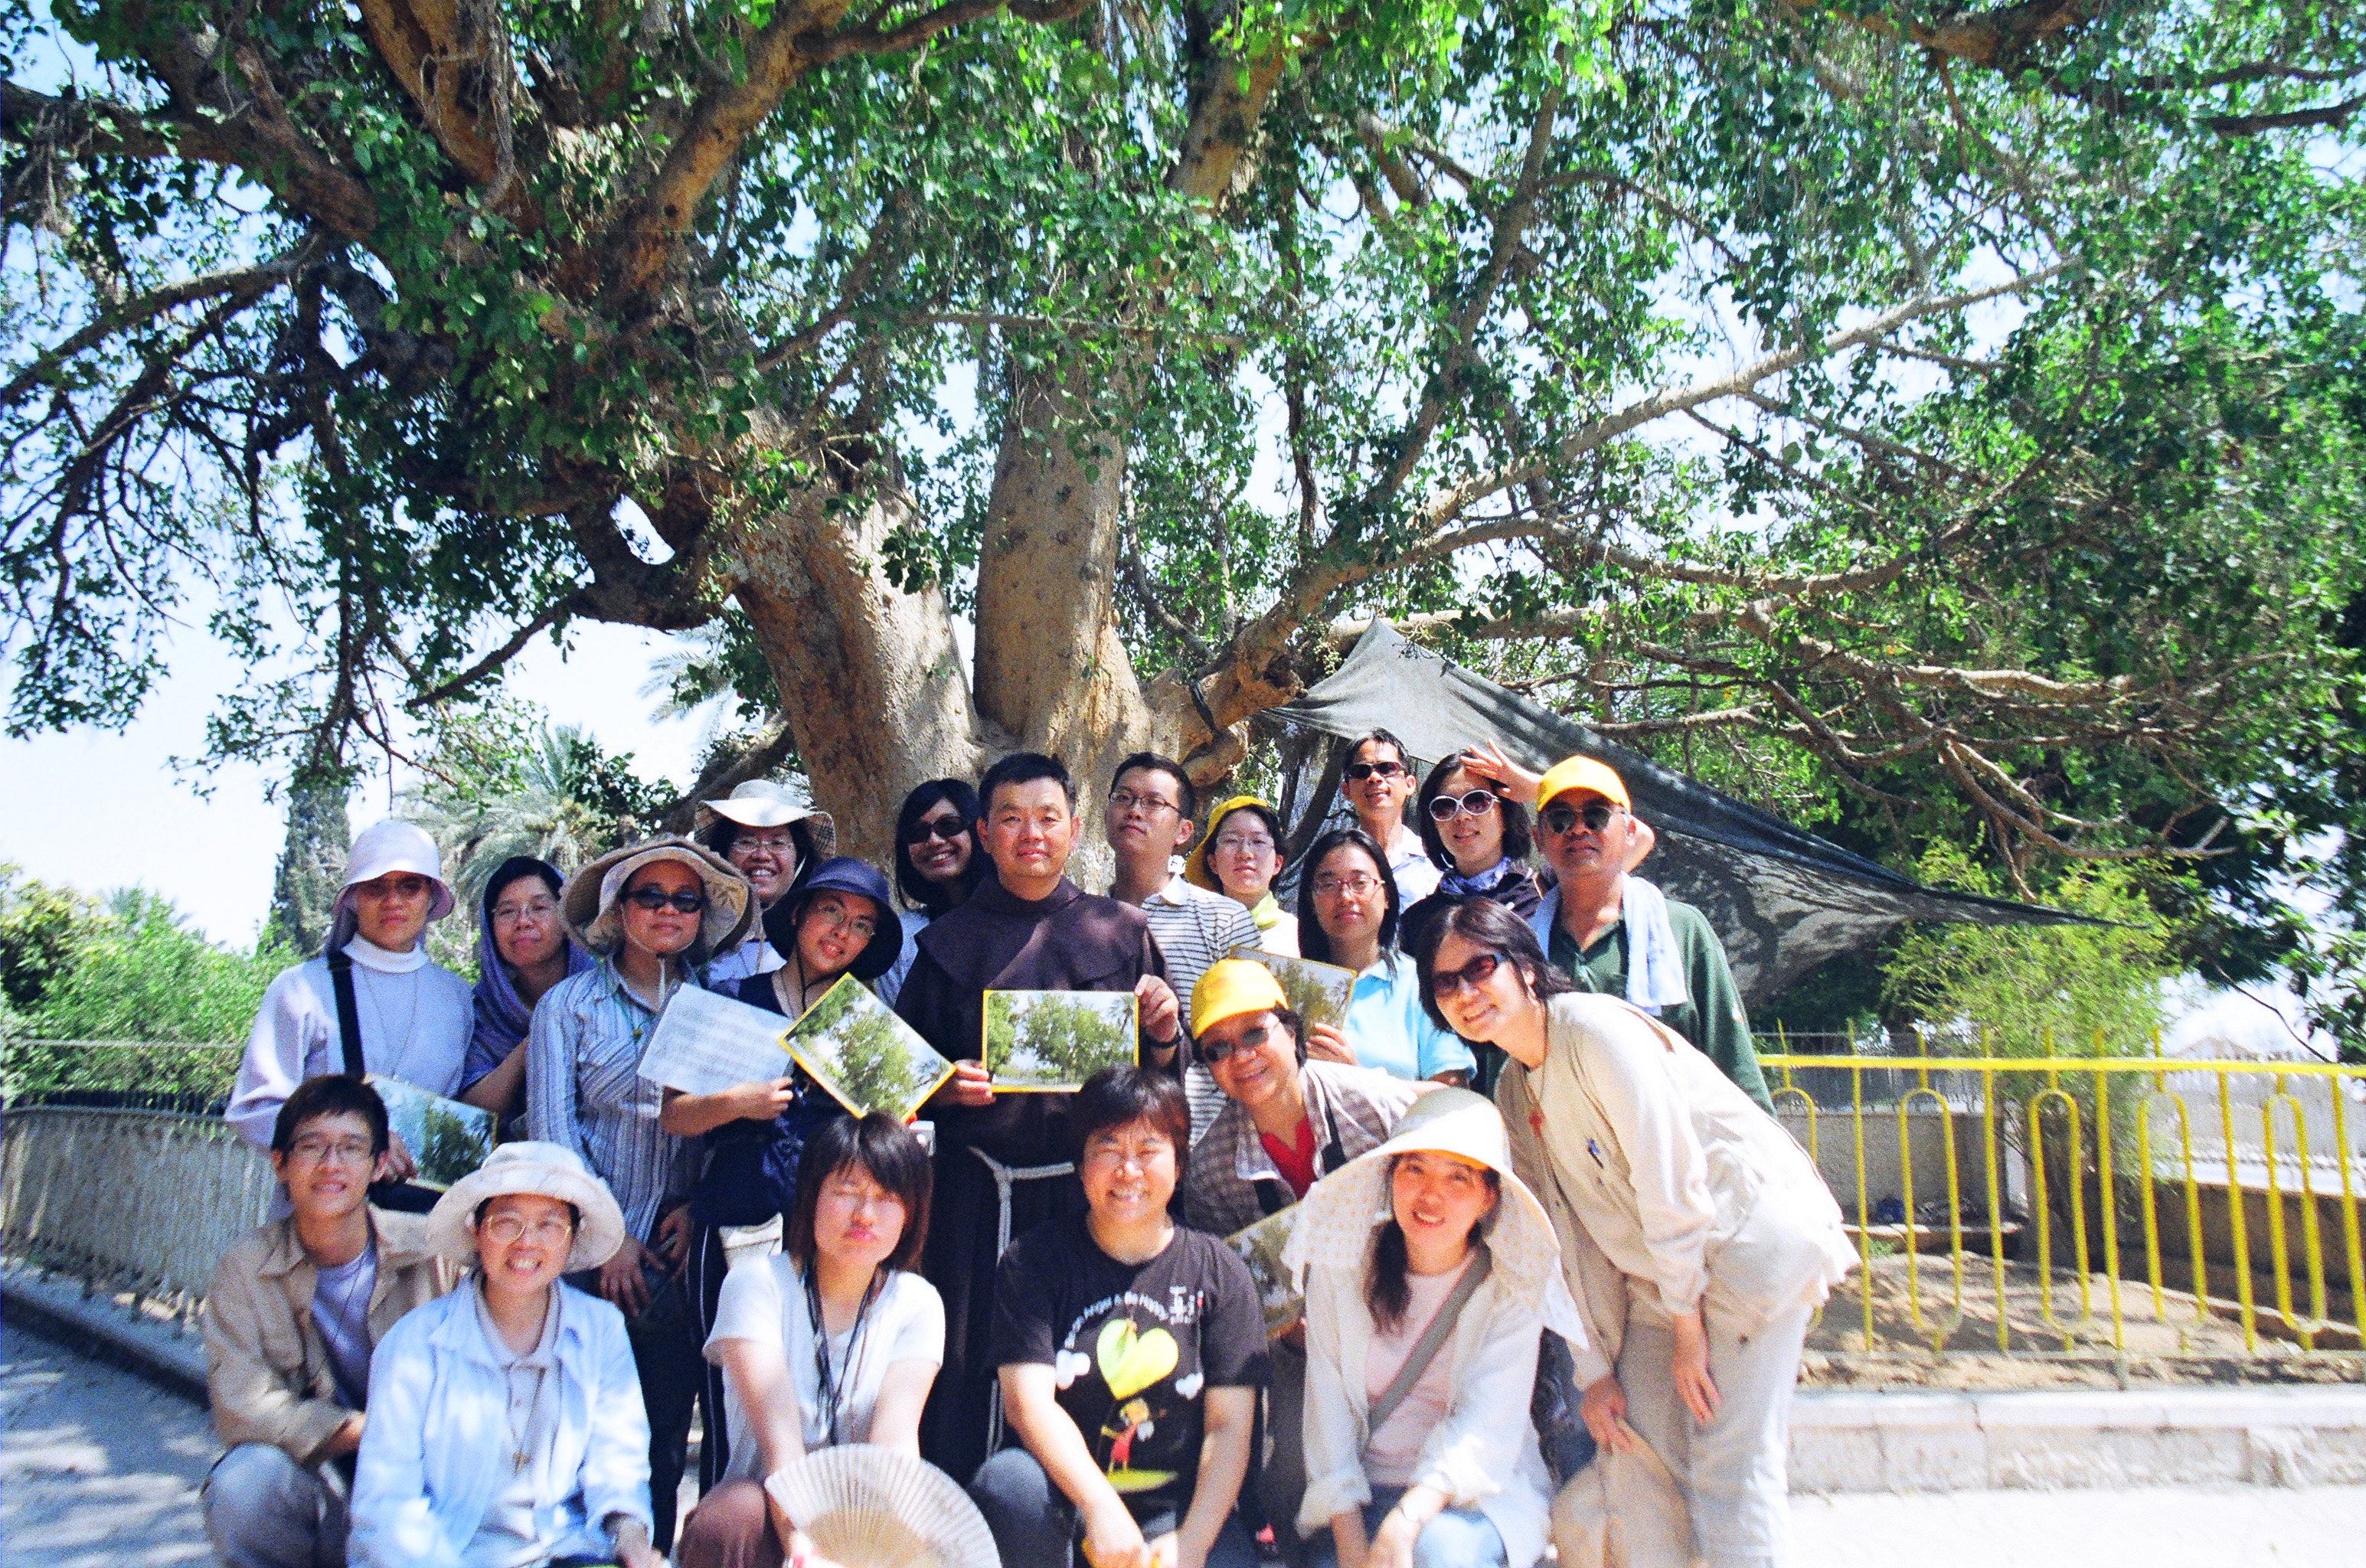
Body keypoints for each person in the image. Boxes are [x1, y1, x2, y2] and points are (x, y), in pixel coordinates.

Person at [1415, 898, 1855, 1568]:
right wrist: (1593, 1371)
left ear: (1527, 968)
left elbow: (1671, 1183)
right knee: (1635, 1453)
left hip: (1743, 1249)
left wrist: (1686, 1328)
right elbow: (1559, 1238)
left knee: (1728, 1469)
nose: (1467, 992)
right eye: (1447, 983)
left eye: (1481, 967)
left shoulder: (1594, 1031)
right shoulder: (1512, 1090)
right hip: (1666, 1283)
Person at [893, 750, 1186, 1485]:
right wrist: (942, 1089)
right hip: (975, 1201)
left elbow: (1164, 1083)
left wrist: (1161, 1035)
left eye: (1049, 818)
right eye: (1013, 820)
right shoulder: (944, 945)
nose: (1033, 834)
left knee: (1091, 1366)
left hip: (1092, 1198)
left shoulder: (1120, 930)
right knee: (968, 1369)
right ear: (986, 833)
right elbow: (896, 1085)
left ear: (1075, 829)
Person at [527, 835, 753, 1550]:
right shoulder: (567, 1009)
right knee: (571, 1437)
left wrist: (700, 1207)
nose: (667, 911)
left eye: (684, 900)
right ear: (618, 910)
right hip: (583, 1260)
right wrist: (607, 1237)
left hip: (679, 1261)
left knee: (661, 1441)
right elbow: (554, 1135)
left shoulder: (721, 1006)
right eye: (649, 896)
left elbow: (736, 1130)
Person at [663, 856, 904, 1488]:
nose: (840, 933)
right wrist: (735, 1103)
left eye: (860, 925)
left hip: (828, 1241)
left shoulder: (865, 1028)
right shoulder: (730, 1000)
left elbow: (895, 1135)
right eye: (830, 911)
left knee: (823, 1398)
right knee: (728, 1403)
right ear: (797, 915)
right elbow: (673, 1117)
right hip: (733, 1226)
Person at [1177, 960, 1429, 1562]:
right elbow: (1234, 1288)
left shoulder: (1373, 1105)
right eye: (1218, 1048)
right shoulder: (1210, 1168)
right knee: (1288, 1474)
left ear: (1292, 1032)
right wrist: (1288, 1331)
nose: (1242, 1057)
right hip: (1303, 1346)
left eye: (1255, 1034)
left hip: (1411, 1307)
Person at [972, 1068, 1266, 1568]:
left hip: (1177, 1513)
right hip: (1068, 1503)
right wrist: (1100, 1507)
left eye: (1149, 1149)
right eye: (1108, 1149)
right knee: (1008, 1485)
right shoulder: (1034, 1262)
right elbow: (1028, 1406)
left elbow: (1229, 1427)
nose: (1129, 1170)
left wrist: (1191, 1546)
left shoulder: (1219, 1271)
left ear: (1178, 1162)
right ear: (1081, 1165)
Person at [1284, 1089, 1582, 1568]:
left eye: (1458, 1177)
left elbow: (1487, 1423)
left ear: (1488, 1197)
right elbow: (1328, 1413)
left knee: (1441, 1554)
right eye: (1414, 1169)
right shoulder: (1341, 1269)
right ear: (1391, 1176)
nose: (1430, 1195)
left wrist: (1405, 1523)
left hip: (1475, 1497)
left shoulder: (1511, 1286)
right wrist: (1353, 1546)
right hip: (1360, 1497)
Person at [348, 1142, 659, 1568]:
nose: (526, 1243)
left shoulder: (601, 1329)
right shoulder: (414, 1344)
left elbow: (618, 1461)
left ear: (572, 1240)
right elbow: (386, 1504)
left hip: (564, 1551)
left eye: (549, 1225)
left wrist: (631, 1538)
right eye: (506, 1222)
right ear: (476, 1231)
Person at [201, 1076, 461, 1568]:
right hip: (324, 1477)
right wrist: (378, 1428)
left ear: (380, 1164)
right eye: (311, 1147)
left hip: (428, 1477)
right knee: (243, 1483)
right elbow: (243, 1408)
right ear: (279, 1163)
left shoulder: (435, 1251)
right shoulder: (244, 1268)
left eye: (350, 1148)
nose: (330, 1165)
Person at [675, 1115, 943, 1568]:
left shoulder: (918, 1303)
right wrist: (802, 1546)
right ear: (811, 1196)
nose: (865, 1214)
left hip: (861, 1516)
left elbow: (895, 1443)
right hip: (766, 1511)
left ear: (911, 1214)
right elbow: (781, 1444)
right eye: (847, 1191)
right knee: (729, 1516)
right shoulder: (755, 1285)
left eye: (886, 1198)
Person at [229, 820, 473, 1192]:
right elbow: (253, 1110)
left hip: (420, 1230)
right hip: (320, 1226)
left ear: (431, 898)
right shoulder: (302, 988)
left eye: (409, 886)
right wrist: (358, 1144)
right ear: (354, 898)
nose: (393, 901)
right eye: (377, 887)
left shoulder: (458, 998)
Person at [1521, 754, 1773, 1112]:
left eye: (1596, 815)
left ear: (1628, 832)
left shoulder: (1682, 930)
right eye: (1560, 819)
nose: (1579, 829)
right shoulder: (1524, 947)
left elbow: (1733, 1061)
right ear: (1539, 839)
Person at [1296, 828, 1471, 1086]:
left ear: (1387, 895)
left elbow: (1451, 1092)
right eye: (1328, 885)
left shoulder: (1423, 984)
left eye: (1359, 883)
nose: (1345, 897)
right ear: (1311, 901)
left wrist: (1358, 1080)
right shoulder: (1290, 985)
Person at [1106, 753, 1264, 1024]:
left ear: (1183, 831)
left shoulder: (1226, 920)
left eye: (1154, 803)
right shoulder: (1084, 914)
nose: (1134, 811)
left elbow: (1255, 1027)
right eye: (1123, 797)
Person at [456, 857, 594, 1126]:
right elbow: (472, 1111)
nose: (523, 921)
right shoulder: (483, 1012)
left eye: (539, 907)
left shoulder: (604, 993)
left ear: (566, 918)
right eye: (507, 912)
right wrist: (533, 1043)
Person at [699, 780, 835, 988]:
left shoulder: (823, 944)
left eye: (778, 843)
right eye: (746, 842)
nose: (762, 855)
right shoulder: (694, 933)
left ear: (799, 858)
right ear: (723, 854)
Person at [879, 779, 988, 1007]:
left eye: (948, 826)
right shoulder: (902, 937)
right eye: (918, 833)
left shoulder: (1019, 917)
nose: (934, 841)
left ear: (979, 831)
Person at [1185, 795, 1300, 957]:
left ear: (1277, 863)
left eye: (1258, 841)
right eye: (1232, 840)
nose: (1245, 853)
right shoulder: (1187, 936)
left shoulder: (1299, 936)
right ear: (1213, 863)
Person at [1336, 730, 1441, 905]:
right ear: (1346, 790)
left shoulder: (1436, 863)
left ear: (1409, 784)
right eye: (1361, 771)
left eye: (1387, 769)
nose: (1374, 778)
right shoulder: (1334, 864)